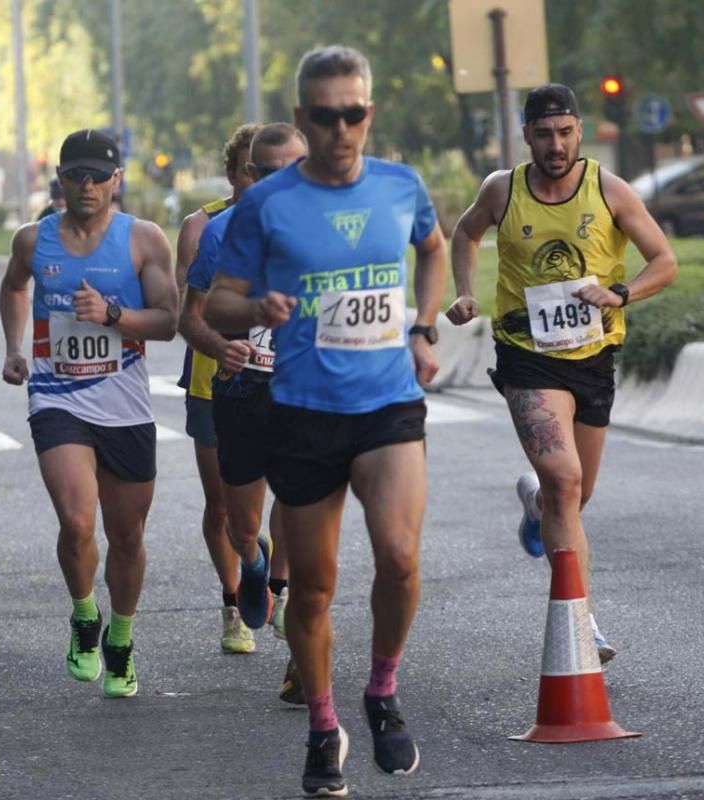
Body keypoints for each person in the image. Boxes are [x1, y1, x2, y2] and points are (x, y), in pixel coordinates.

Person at [205, 46, 448, 795]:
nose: (340, 128)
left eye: (353, 113)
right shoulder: (266, 203)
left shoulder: (402, 187)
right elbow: (218, 301)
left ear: (368, 114)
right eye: (324, 115)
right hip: (304, 411)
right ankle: (322, 726)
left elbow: (434, 249)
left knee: (400, 557)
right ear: (304, 118)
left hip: (386, 403)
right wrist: (256, 308)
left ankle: (381, 689)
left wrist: (424, 325)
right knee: (312, 588)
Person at [447, 83, 677, 664]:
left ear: (579, 130)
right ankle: (584, 621)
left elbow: (666, 261)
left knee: (573, 495)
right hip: (526, 355)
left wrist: (620, 293)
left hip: (593, 357)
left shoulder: (609, 189)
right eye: (545, 133)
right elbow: (465, 234)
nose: (557, 144)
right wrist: (466, 294)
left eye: (567, 132)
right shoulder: (502, 190)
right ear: (526, 135)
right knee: (566, 482)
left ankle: (535, 504)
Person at [0, 128, 178, 699]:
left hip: (124, 404)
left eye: (98, 176)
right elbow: (13, 288)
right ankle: (83, 617)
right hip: (57, 398)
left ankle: (120, 639)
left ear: (117, 180)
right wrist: (13, 347)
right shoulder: (33, 240)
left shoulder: (143, 239)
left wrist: (113, 313)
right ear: (60, 179)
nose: (87, 185)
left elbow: (169, 320)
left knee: (126, 536)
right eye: (76, 175)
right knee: (77, 523)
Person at [185, 123, 307, 687]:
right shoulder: (222, 232)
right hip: (241, 393)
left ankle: (303, 661)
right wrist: (220, 346)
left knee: (309, 517)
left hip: (308, 393)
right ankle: (254, 566)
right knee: (241, 524)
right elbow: (192, 317)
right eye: (273, 173)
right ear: (251, 177)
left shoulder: (332, 227)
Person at [174, 123, 261, 655]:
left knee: (290, 499)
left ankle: (270, 585)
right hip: (215, 379)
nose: (261, 178)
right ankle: (234, 605)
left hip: (281, 379)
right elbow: (194, 303)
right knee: (223, 506)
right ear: (232, 173)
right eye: (252, 168)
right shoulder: (204, 226)